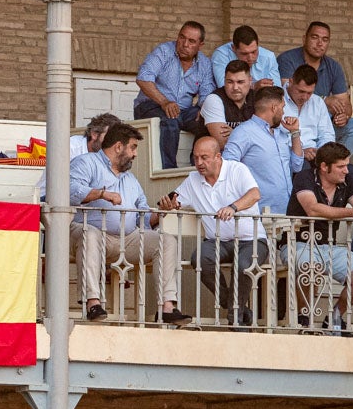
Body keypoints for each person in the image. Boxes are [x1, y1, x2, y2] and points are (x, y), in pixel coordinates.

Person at [68, 123, 190, 325]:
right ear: (118, 147)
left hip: (127, 239)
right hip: (92, 233)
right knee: (90, 234)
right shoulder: (86, 163)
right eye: (132, 147)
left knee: (166, 241)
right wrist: (101, 193)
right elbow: (70, 191)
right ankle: (93, 302)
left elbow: (142, 218)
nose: (134, 154)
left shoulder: (131, 179)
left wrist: (161, 212)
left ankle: (167, 307)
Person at [158, 136, 265, 328]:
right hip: (217, 241)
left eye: (204, 157)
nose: (199, 163)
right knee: (199, 258)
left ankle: (236, 320)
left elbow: (254, 194)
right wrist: (168, 204)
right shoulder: (193, 179)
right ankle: (233, 306)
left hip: (252, 240)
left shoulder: (236, 169)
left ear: (218, 156)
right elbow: (175, 200)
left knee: (242, 265)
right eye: (196, 157)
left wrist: (233, 207)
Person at [280, 142, 353, 333]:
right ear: (324, 167)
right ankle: (304, 321)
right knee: (310, 267)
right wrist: (352, 213)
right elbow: (313, 209)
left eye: (346, 165)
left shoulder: (347, 181)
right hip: (296, 244)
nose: (346, 171)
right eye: (341, 166)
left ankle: (335, 318)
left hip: (328, 246)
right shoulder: (305, 177)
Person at [277, 21, 353, 153]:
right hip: (291, 122)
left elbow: (346, 105)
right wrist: (325, 100)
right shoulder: (287, 59)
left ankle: (334, 162)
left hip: (322, 122)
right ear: (304, 39)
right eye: (314, 38)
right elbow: (288, 90)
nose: (320, 43)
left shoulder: (333, 66)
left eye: (325, 40)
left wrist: (343, 115)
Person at [133, 20, 211, 169]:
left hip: (183, 110)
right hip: (151, 105)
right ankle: (168, 171)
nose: (185, 44)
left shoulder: (205, 64)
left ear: (200, 45)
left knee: (208, 120)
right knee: (171, 118)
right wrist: (164, 102)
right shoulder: (164, 51)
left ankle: (196, 166)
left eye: (191, 41)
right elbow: (143, 78)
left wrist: (204, 107)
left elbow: (207, 93)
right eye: (182, 37)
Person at [221, 86, 304, 216]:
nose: (283, 112)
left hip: (287, 209)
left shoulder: (281, 133)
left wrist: (295, 132)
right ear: (274, 108)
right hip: (258, 212)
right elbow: (228, 166)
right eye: (282, 107)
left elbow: (297, 166)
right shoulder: (244, 132)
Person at [37, 112, 121, 200]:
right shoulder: (70, 147)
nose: (112, 143)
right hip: (49, 200)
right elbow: (63, 186)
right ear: (94, 134)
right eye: (109, 137)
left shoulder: (108, 155)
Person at [281, 65, 334, 162]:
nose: (305, 97)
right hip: (287, 156)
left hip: (316, 155)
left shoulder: (317, 102)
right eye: (301, 91)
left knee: (352, 173)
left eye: (309, 93)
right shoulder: (277, 99)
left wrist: (321, 153)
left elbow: (327, 134)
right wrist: (299, 152)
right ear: (291, 82)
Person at [199, 59, 253, 150]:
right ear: (224, 81)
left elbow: (268, 136)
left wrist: (235, 132)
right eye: (230, 82)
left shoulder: (257, 99)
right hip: (213, 159)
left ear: (250, 81)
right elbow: (223, 144)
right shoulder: (214, 99)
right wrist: (252, 134)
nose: (235, 88)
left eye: (240, 82)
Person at [209, 24, 279, 91]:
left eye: (254, 52)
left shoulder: (268, 57)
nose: (250, 58)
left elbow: (277, 89)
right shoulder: (221, 55)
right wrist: (253, 86)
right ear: (233, 48)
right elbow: (224, 87)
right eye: (244, 54)